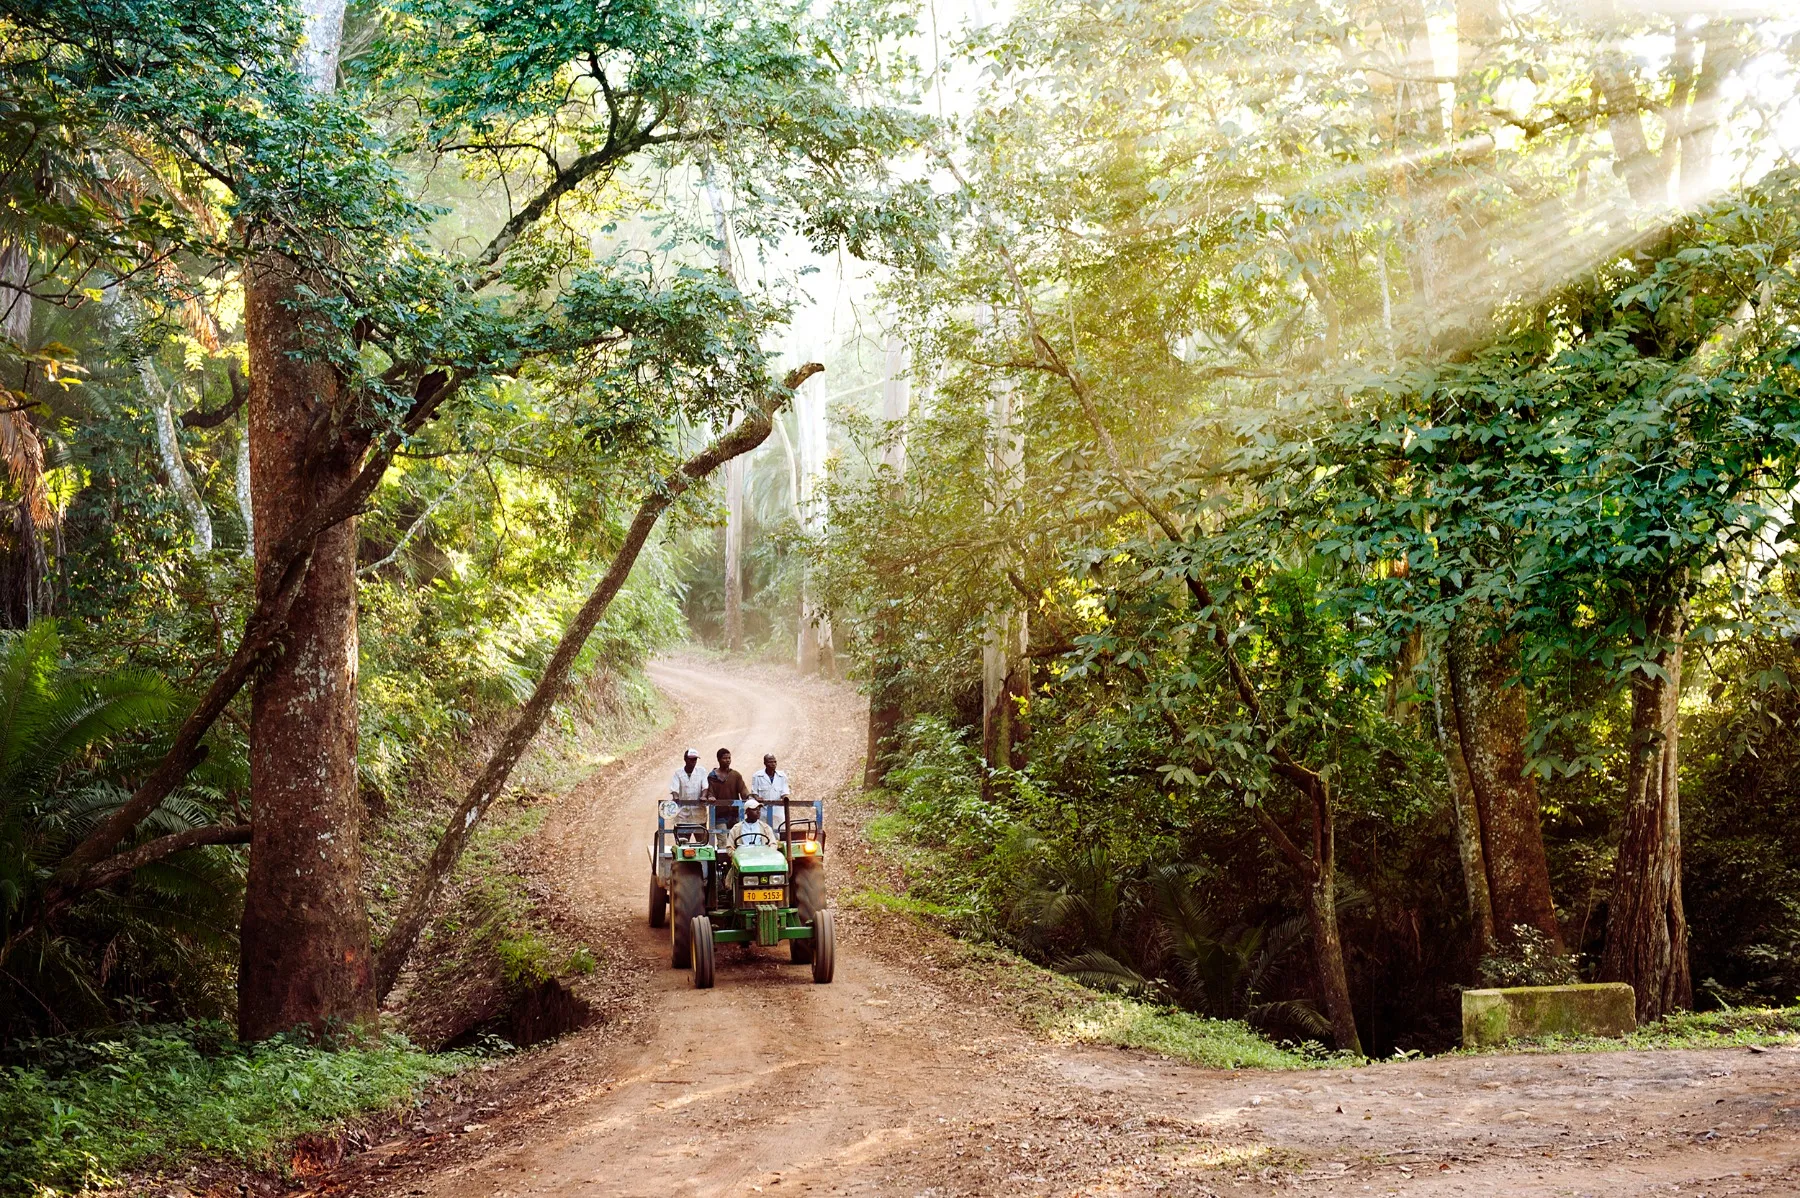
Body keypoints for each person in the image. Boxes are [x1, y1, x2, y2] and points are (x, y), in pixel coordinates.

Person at [705, 747, 750, 831]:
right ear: (718, 759)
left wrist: (748, 797)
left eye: (729, 758)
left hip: (734, 814)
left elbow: (743, 790)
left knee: (735, 840)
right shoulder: (712, 776)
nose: (728, 760)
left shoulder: (735, 775)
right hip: (720, 815)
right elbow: (710, 792)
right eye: (725, 758)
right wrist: (711, 797)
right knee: (723, 840)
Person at [749, 753, 791, 835]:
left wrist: (785, 798)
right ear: (765, 763)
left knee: (778, 835)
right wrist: (757, 798)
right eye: (770, 762)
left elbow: (785, 792)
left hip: (778, 812)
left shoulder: (782, 776)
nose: (773, 764)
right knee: (763, 834)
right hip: (763, 811)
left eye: (775, 762)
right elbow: (754, 792)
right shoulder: (757, 776)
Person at [668, 747, 707, 827]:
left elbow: (705, 787)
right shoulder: (678, 773)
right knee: (683, 838)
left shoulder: (701, 771)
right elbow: (674, 789)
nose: (693, 761)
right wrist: (675, 797)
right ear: (685, 759)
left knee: (701, 838)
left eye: (695, 759)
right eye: (691, 759)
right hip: (682, 812)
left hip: (698, 811)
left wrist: (703, 796)